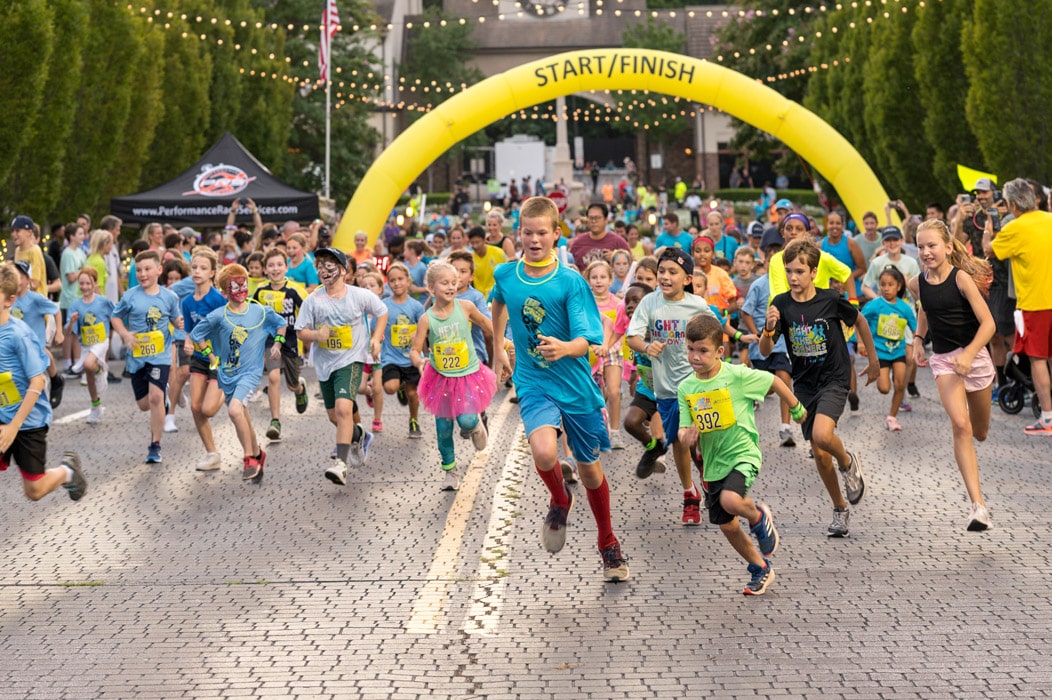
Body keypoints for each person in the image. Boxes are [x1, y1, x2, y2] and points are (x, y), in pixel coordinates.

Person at [491, 196, 631, 582]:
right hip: (534, 381)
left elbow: (589, 339)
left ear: (556, 234)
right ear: (519, 233)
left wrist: (564, 348)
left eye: (542, 233)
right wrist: (498, 350)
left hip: (575, 383)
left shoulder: (570, 280)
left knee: (588, 470)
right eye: (527, 233)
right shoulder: (506, 274)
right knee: (544, 451)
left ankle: (608, 543)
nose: (534, 240)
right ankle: (558, 498)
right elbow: (498, 306)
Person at [678, 313, 807, 596]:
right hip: (713, 464)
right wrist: (686, 435)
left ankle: (759, 516)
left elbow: (773, 381)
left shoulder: (736, 375)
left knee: (731, 499)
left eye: (703, 351)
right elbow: (684, 426)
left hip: (743, 453)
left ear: (720, 352)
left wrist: (796, 408)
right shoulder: (686, 387)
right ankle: (760, 567)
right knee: (726, 524)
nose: (695, 357)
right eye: (690, 349)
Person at [760, 239, 879, 538]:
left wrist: (873, 359)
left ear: (814, 272)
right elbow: (764, 350)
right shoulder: (781, 304)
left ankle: (848, 461)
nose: (793, 277)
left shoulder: (830, 299)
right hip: (805, 384)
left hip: (835, 378)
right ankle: (840, 508)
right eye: (788, 271)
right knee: (819, 451)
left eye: (799, 271)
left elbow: (860, 321)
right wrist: (768, 327)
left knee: (822, 435)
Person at [910, 219, 995, 529]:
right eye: (920, 247)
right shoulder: (916, 282)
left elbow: (989, 324)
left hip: (976, 358)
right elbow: (925, 308)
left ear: (947, 247)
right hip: (945, 361)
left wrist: (970, 354)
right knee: (960, 425)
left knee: (980, 431)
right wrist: (919, 340)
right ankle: (978, 507)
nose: (926, 252)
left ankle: (978, 502)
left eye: (932, 245)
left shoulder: (961, 280)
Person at [626, 248, 718, 526]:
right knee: (678, 439)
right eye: (661, 272)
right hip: (666, 388)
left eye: (672, 272)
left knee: (704, 435)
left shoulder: (698, 306)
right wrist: (647, 345)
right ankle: (690, 495)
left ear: (687, 278)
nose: (665, 277)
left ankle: (705, 466)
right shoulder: (650, 303)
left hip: (698, 384)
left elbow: (715, 337)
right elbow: (632, 337)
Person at [296, 248, 387, 484]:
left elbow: (382, 311)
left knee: (344, 410)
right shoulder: (313, 300)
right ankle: (361, 435)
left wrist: (376, 338)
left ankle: (341, 464)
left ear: (344, 271)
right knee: (335, 417)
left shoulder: (358, 295)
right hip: (325, 364)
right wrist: (317, 335)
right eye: (320, 265)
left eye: (330, 264)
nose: (324, 269)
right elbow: (300, 331)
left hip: (352, 359)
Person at [190, 264, 286, 482]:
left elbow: (281, 324)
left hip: (250, 373)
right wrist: (212, 357)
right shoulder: (217, 316)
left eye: (243, 284)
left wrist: (277, 345)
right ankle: (258, 454)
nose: (240, 289)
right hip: (227, 374)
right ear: (224, 292)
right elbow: (197, 335)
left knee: (234, 411)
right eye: (234, 286)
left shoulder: (260, 311)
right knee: (243, 416)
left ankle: (249, 458)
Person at [0, 264, 87, 503]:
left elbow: (37, 382)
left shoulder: (19, 335)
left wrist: (14, 426)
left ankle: (67, 471)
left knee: (34, 491)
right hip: (2, 415)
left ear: (9, 300)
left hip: (28, 421)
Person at [410, 262, 496, 491]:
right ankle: (450, 471)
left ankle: (475, 424)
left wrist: (504, 342)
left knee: (465, 420)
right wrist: (419, 361)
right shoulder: (427, 319)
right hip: (439, 379)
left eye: (453, 283)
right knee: (443, 428)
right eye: (444, 283)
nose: (450, 287)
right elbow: (415, 349)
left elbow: (487, 325)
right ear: (431, 288)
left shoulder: (465, 307)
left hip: (467, 374)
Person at [983, 178, 1052, 435]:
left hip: (1035, 304)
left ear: (1012, 204)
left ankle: (1047, 417)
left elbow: (989, 251)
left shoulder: (1015, 228)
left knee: (1038, 360)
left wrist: (989, 228)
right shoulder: (1050, 218)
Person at [110, 251, 183, 464]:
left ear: (159, 270)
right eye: (139, 270)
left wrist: (179, 325)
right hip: (137, 358)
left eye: (148, 269)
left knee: (154, 397)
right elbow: (115, 316)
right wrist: (124, 334)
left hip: (160, 356)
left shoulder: (169, 297)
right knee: (144, 404)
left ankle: (155, 445)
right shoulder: (130, 296)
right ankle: (164, 399)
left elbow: (175, 317)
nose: (143, 274)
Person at [740, 231, 797, 447]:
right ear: (765, 262)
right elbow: (746, 311)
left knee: (784, 378)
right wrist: (756, 332)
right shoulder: (759, 285)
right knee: (768, 387)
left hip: (782, 344)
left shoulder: (788, 284)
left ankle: (786, 427)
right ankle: (746, 422)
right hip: (761, 345)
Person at [608, 282, 667, 478]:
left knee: (687, 443)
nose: (630, 305)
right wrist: (634, 374)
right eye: (627, 301)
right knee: (631, 422)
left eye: (636, 300)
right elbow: (636, 357)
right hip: (648, 387)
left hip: (671, 388)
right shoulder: (633, 329)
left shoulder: (660, 325)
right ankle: (654, 447)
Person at [254, 248, 310, 442]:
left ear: (286, 267)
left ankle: (300, 389)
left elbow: (307, 310)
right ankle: (275, 421)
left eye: (279, 264)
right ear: (265, 269)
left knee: (292, 384)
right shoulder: (260, 291)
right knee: (273, 377)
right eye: (271, 265)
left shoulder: (294, 290)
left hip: (292, 341)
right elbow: (253, 315)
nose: (275, 269)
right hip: (270, 340)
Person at [180, 246, 228, 472]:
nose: (197, 271)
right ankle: (212, 454)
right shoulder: (188, 302)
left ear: (212, 273)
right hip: (199, 358)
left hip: (219, 358)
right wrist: (188, 342)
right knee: (196, 407)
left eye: (203, 268)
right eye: (194, 267)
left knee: (209, 409)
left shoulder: (218, 300)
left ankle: (228, 390)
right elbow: (189, 331)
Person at [861, 266, 917, 431]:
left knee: (900, 385)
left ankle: (892, 417)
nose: (886, 288)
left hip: (898, 351)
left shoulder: (904, 307)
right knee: (884, 389)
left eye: (890, 284)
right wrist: (861, 342)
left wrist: (915, 346)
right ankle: (885, 378)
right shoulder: (874, 305)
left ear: (898, 286)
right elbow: (859, 321)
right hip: (880, 352)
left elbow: (915, 330)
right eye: (883, 285)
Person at [379, 262, 425, 439]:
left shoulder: (416, 306)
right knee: (390, 388)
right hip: (391, 356)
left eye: (400, 279)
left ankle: (414, 420)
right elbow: (377, 329)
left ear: (408, 281)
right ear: (388, 283)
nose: (396, 283)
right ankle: (400, 386)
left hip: (411, 357)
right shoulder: (384, 306)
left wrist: (417, 336)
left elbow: (424, 327)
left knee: (413, 394)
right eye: (392, 280)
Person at [65, 268, 114, 423]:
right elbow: (68, 332)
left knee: (87, 364)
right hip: (86, 344)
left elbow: (117, 316)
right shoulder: (75, 305)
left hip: (101, 342)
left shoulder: (104, 302)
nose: (84, 287)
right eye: (82, 283)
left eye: (88, 283)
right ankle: (95, 405)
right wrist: (72, 321)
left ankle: (100, 369)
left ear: (95, 284)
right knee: (88, 371)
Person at [586, 260, 625, 450]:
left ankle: (616, 432)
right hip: (591, 353)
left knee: (614, 391)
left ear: (611, 280)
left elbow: (622, 328)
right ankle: (597, 430)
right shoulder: (586, 302)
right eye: (594, 277)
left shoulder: (618, 303)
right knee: (596, 396)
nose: (598, 281)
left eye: (603, 277)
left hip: (613, 350)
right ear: (589, 280)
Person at [59, 223, 88, 376]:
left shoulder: (80, 252)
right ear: (71, 236)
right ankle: (67, 365)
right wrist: (82, 271)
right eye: (80, 233)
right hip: (69, 298)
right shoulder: (68, 253)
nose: (83, 236)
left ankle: (77, 363)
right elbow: (70, 277)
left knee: (77, 333)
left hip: (78, 297)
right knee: (69, 333)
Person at [568, 202, 631, 267]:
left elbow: (632, 265)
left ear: (606, 220)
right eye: (591, 218)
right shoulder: (578, 243)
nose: (594, 221)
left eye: (597, 218)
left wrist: (616, 259)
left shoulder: (618, 242)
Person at [467, 226, 506, 299]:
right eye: (472, 243)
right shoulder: (470, 258)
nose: (475, 246)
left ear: (484, 240)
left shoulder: (498, 253)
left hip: (496, 296)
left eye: (477, 242)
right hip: (479, 298)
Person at [10, 216, 47, 294]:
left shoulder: (35, 251)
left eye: (17, 231)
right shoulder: (17, 250)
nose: (14, 234)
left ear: (29, 232)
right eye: (12, 231)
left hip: (37, 300)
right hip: (23, 298)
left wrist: (15, 287)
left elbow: (34, 284)